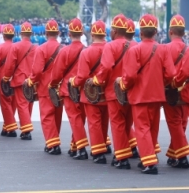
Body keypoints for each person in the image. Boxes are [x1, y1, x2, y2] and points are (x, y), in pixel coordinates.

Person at [120, 14, 176, 174]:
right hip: (157, 95)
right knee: (152, 127)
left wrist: (124, 85)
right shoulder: (163, 49)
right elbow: (171, 73)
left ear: (141, 32)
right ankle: (149, 156)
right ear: (156, 32)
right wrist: (161, 82)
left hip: (139, 95)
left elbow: (129, 76)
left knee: (142, 128)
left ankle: (149, 162)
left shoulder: (134, 50)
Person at [93, 14, 138, 170]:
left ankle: (121, 157)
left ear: (115, 31)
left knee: (117, 124)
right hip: (131, 91)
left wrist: (97, 81)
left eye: (111, 29)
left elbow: (106, 67)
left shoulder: (110, 46)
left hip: (114, 91)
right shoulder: (134, 45)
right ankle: (125, 151)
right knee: (127, 123)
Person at [70, 20, 109, 164]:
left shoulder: (86, 52)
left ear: (92, 34)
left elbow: (82, 77)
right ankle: (103, 146)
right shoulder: (109, 49)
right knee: (104, 121)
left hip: (90, 92)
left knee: (94, 122)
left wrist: (73, 82)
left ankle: (98, 152)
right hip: (107, 91)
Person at [50, 18, 88, 159]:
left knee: (75, 119)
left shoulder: (65, 51)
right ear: (82, 32)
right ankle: (75, 146)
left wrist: (53, 84)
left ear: (70, 33)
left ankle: (82, 149)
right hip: (83, 89)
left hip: (68, 89)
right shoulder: (86, 50)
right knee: (80, 119)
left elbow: (57, 73)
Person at [27, 20, 63, 154]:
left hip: (45, 87)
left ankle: (52, 144)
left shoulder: (41, 49)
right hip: (58, 87)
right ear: (58, 33)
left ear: (46, 33)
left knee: (47, 116)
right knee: (57, 115)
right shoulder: (63, 48)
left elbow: (36, 71)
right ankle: (54, 140)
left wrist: (31, 81)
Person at [162, 14, 189, 168]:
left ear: (170, 32)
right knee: (181, 123)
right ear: (183, 33)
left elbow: (162, 71)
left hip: (171, 92)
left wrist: (173, 83)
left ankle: (183, 156)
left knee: (174, 124)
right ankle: (174, 155)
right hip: (186, 92)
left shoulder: (165, 48)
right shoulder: (188, 49)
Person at [3, 22, 36, 140]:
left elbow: (10, 65)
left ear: (21, 33)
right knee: (29, 104)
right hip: (31, 79)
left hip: (20, 79)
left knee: (21, 105)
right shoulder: (35, 47)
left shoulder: (15, 46)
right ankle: (25, 127)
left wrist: (6, 77)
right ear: (31, 34)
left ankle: (26, 130)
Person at [0, 24, 17, 136]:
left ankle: (11, 127)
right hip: (16, 76)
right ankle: (6, 127)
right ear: (13, 35)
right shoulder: (17, 47)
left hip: (4, 77)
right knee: (12, 102)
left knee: (5, 103)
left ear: (3, 35)